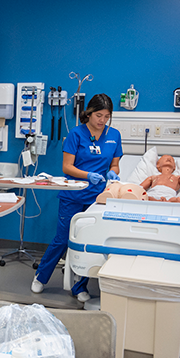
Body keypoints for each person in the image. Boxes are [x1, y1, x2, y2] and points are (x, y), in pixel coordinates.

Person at [32, 93, 123, 302]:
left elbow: (115, 164)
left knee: (88, 241)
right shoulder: (76, 134)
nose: (102, 120)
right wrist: (87, 176)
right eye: (98, 115)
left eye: (106, 116)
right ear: (88, 113)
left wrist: (113, 172)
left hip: (98, 197)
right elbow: (67, 167)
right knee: (62, 239)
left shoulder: (114, 135)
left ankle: (79, 286)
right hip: (73, 194)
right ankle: (41, 277)